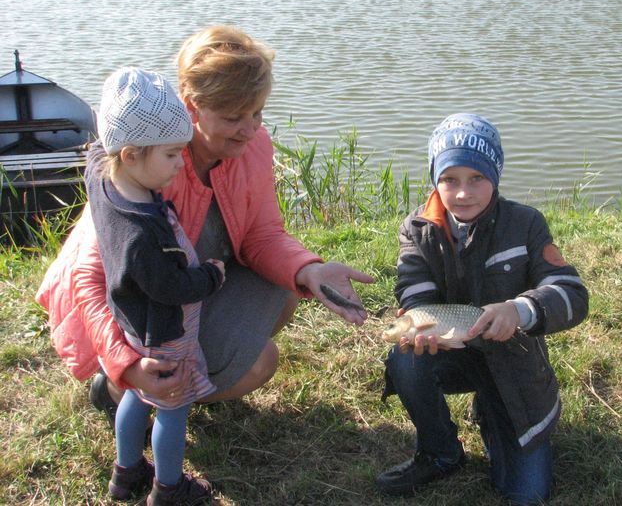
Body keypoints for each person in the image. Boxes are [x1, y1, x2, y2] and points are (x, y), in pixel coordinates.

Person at [35, 25, 374, 483]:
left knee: (288, 292)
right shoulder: (139, 168)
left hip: (186, 289)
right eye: (235, 115)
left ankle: (182, 384)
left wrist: (308, 268)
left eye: (257, 113)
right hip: (130, 313)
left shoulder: (252, 145)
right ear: (192, 107)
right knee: (260, 362)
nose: (251, 128)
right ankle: (124, 388)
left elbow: (262, 233)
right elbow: (90, 280)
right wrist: (126, 363)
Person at [377, 113, 589, 505]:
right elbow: (415, 295)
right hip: (452, 350)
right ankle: (441, 452)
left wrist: (520, 309)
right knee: (404, 359)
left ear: (496, 176)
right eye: (450, 180)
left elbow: (573, 294)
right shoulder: (417, 229)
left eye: (477, 178)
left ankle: (495, 413)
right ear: (435, 180)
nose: (463, 193)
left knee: (525, 495)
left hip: (513, 359)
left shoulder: (525, 223)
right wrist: (421, 332)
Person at [87, 67, 227, 504]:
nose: (179, 164)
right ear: (130, 154)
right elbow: (170, 287)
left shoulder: (101, 177)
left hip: (133, 325)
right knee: (172, 404)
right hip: (165, 330)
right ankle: (169, 488)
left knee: (137, 392)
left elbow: (96, 149)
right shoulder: (140, 234)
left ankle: (126, 473)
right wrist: (211, 275)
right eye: (170, 155)